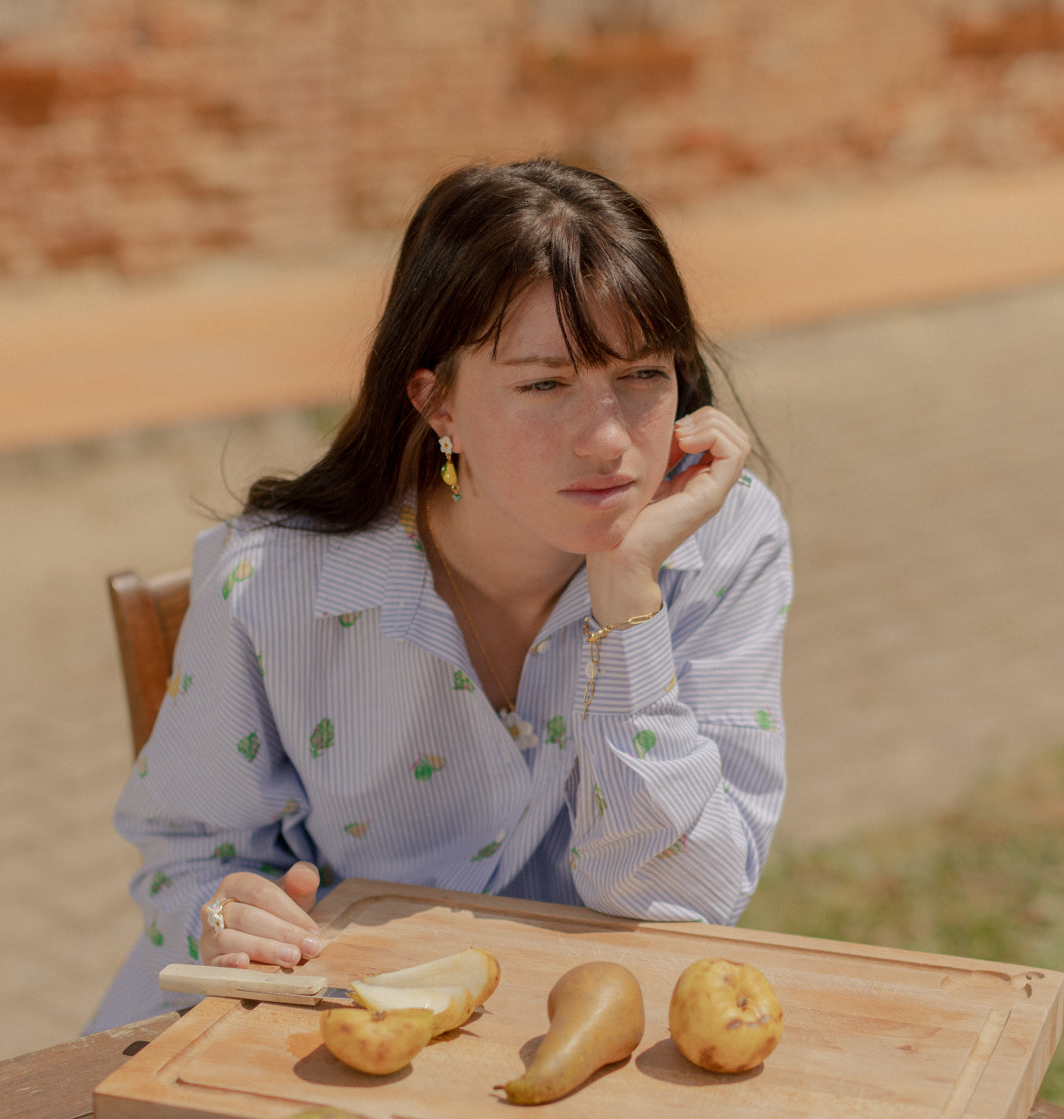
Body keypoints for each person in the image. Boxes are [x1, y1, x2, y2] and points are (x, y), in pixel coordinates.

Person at [87, 157, 792, 1031]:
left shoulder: (722, 541)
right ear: (437, 402)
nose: (610, 440)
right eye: (544, 384)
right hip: (316, 1031)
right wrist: (222, 915)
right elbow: (185, 853)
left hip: (573, 1040)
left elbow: (690, 905)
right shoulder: (273, 584)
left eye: (644, 375)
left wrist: (628, 607)